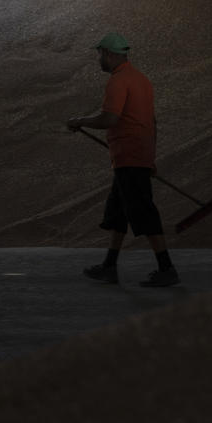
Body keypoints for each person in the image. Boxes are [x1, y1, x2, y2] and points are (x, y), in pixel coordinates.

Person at [66, 32, 179, 287]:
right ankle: (109, 267)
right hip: (136, 155)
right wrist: (150, 156)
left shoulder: (118, 81)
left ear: (107, 53)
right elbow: (152, 122)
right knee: (118, 213)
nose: (98, 59)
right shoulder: (141, 80)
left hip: (129, 156)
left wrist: (79, 121)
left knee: (143, 212)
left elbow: (109, 119)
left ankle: (167, 268)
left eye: (99, 54)